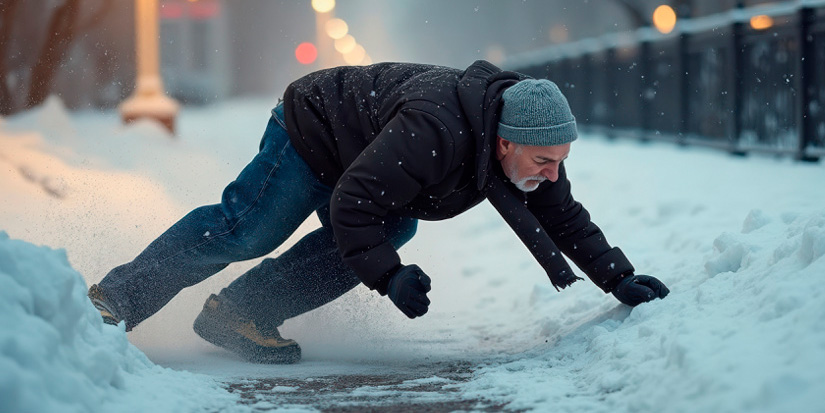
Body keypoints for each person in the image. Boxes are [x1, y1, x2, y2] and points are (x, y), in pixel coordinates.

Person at [88, 60, 669, 364]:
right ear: (505, 142)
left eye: (561, 161)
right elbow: (354, 200)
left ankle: (239, 314)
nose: (552, 173)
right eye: (545, 160)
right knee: (250, 230)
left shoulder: (525, 154)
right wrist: (389, 276)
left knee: (394, 226)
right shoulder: (435, 130)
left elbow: (564, 217)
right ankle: (115, 300)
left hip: (365, 157)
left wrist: (618, 278)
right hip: (313, 131)